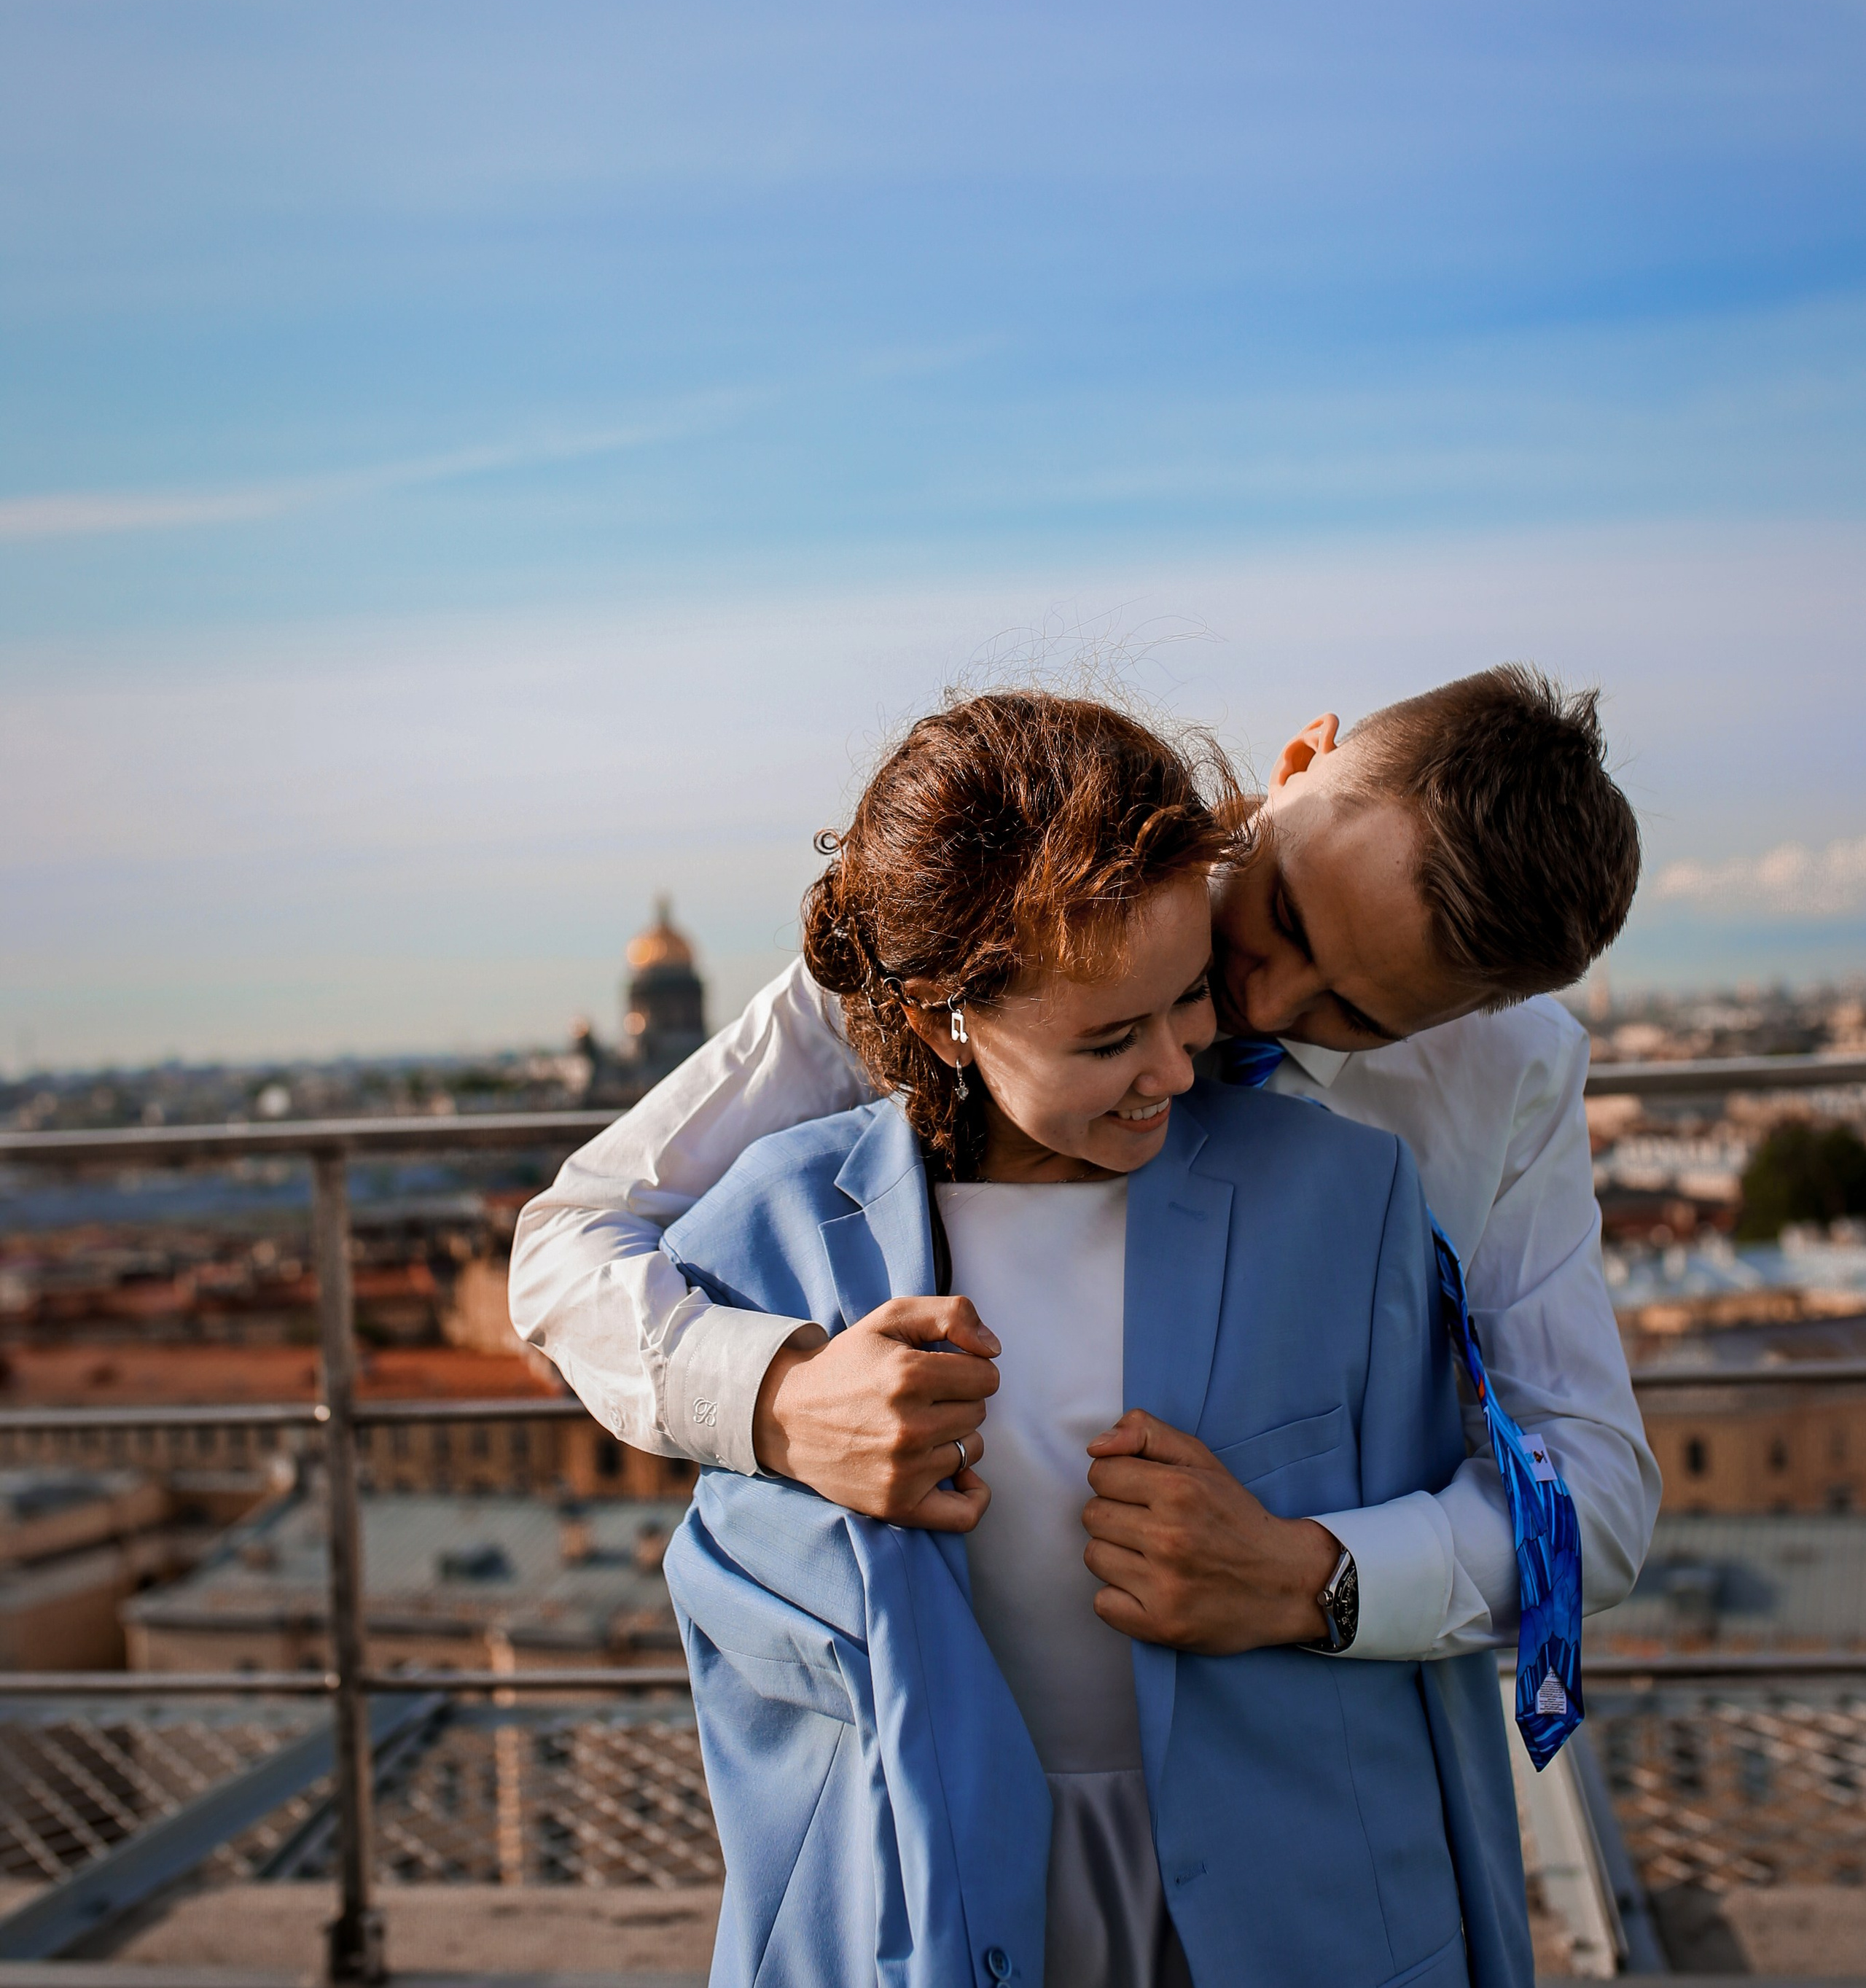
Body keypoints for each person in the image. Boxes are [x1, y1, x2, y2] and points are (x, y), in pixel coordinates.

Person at [657, 693, 1563, 1988]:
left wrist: (1309, 1578)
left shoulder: (1349, 1201)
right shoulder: (765, 1235)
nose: (1188, 1062)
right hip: (923, 1952)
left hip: (1287, 1950)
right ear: (948, 1012)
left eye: (1185, 1002)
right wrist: (773, 1404)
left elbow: (1536, 1555)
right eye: (1106, 1036)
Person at [512, 666, 1659, 1671]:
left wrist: (1314, 1578)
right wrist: (779, 1399)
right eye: (1292, 919)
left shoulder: (1509, 1073)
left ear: (1481, 1014)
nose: (1257, 1004)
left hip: (1300, 1776)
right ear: (1299, 763)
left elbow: (1595, 1494)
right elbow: (569, 1247)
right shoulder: (964, 942)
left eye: (1356, 1017)